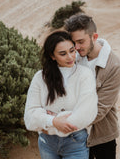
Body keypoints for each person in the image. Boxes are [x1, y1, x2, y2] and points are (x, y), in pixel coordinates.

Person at [24, 31, 98, 159]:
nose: (70, 57)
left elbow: (86, 114)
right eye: (63, 54)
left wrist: (49, 122)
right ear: (52, 56)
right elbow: (29, 118)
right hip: (46, 143)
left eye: (72, 50)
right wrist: (53, 120)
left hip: (75, 143)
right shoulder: (40, 77)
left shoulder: (85, 75)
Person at [64, 14, 120, 159]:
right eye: (73, 43)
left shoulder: (114, 67)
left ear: (94, 36)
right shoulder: (73, 58)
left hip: (102, 136)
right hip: (74, 136)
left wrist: (62, 122)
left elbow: (100, 109)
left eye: (81, 41)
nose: (76, 47)